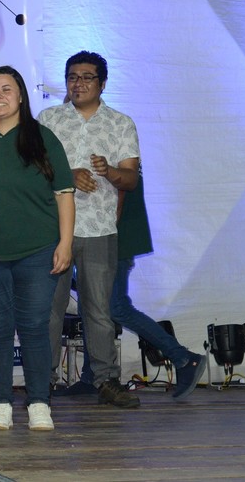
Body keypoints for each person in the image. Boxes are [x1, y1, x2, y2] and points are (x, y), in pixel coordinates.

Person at [0, 66, 74, 431]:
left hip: (37, 249)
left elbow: (64, 194)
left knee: (36, 325)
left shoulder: (43, 138)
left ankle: (39, 402)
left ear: (21, 95)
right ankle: (1, 403)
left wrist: (65, 243)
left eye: (6, 89)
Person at [38, 50, 140, 408]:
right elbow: (32, 171)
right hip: (52, 229)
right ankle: (42, 383)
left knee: (98, 309)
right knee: (49, 308)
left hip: (99, 229)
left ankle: (106, 381)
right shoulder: (48, 119)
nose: (78, 83)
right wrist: (68, 175)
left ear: (103, 83)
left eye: (86, 77)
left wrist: (109, 171)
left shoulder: (120, 123)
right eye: (72, 77)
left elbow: (129, 178)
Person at [56, 171, 206, 399]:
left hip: (113, 237)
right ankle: (90, 377)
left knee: (116, 307)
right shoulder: (119, 155)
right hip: (110, 235)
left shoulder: (116, 153)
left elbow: (120, 191)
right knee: (94, 305)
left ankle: (183, 358)